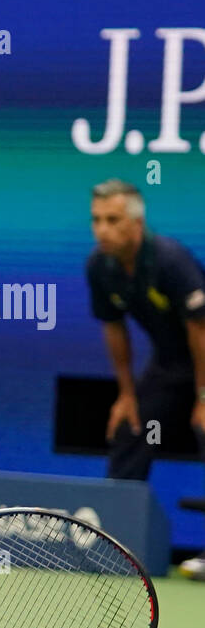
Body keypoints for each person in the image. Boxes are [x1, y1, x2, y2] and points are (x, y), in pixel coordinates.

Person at [87, 179, 205, 580]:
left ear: (136, 224)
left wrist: (203, 398)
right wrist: (126, 394)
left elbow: (200, 331)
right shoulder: (100, 267)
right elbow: (114, 328)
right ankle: (115, 544)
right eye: (97, 219)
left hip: (203, 357)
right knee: (137, 428)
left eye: (113, 220)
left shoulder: (170, 260)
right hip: (171, 366)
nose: (102, 228)